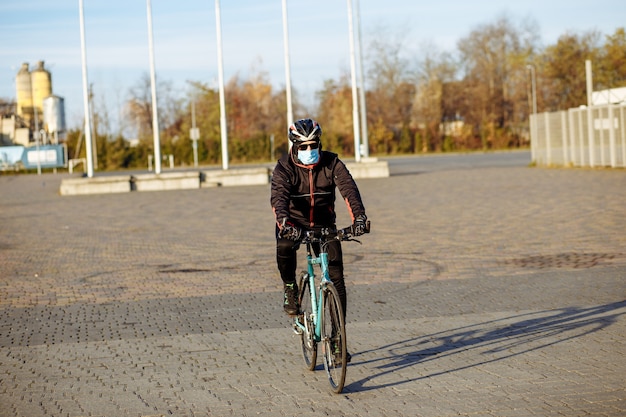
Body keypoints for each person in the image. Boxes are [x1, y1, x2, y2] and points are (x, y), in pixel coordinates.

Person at [270, 118, 368, 357]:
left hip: (325, 225)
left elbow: (349, 190)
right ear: (294, 146)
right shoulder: (284, 167)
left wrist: (359, 219)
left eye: (313, 145)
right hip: (293, 224)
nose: (309, 151)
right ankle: (290, 287)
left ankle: (337, 337)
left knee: (336, 277)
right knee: (284, 245)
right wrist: (284, 222)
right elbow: (279, 198)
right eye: (303, 147)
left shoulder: (332, 162)